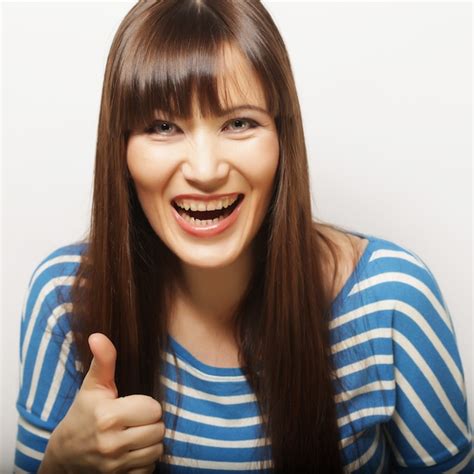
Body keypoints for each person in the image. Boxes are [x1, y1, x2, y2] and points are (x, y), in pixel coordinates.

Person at [14, 1, 472, 473]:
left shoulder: (392, 300)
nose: (206, 171)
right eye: (164, 126)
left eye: (239, 123)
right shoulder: (65, 296)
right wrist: (61, 467)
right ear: (121, 149)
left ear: (282, 137)